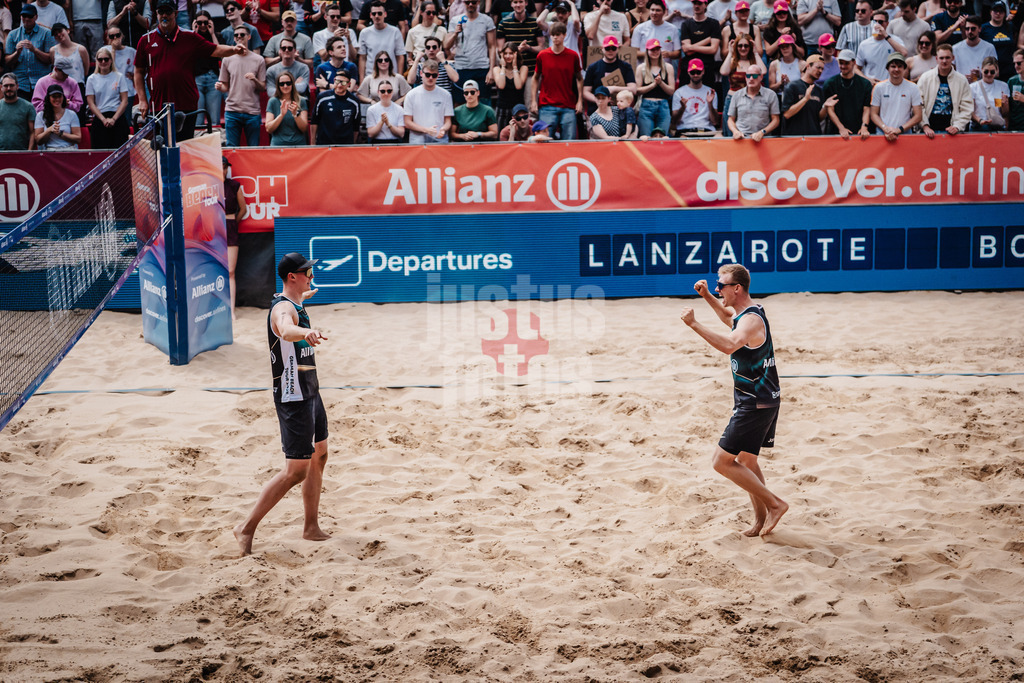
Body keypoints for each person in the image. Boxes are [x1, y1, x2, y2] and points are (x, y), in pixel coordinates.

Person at [233, 252, 331, 557]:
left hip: (310, 389)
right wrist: (307, 331)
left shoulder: (293, 301)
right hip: (293, 395)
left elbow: (293, 308)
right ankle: (245, 527)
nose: (311, 276)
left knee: (320, 454)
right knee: (295, 471)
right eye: (307, 273)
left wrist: (303, 299)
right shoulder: (283, 309)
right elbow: (286, 328)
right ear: (292, 276)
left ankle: (311, 527)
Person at [680, 265, 787, 537]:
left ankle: (775, 505)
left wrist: (694, 324)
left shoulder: (750, 321)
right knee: (748, 462)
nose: (718, 289)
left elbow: (729, 344)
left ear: (737, 288)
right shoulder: (748, 313)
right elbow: (728, 316)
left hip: (755, 402)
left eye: (721, 285)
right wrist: (706, 296)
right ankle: (761, 520)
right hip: (764, 399)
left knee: (721, 462)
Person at [135, 0, 245, 141]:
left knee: (185, 149)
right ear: (156, 14)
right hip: (158, 105)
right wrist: (143, 100)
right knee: (161, 150)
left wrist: (234, 50)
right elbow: (138, 72)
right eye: (160, 12)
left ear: (175, 13)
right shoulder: (146, 40)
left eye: (168, 12)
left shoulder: (189, 37)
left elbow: (215, 50)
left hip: (186, 105)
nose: (164, 16)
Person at [531, 21, 583, 139]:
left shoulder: (573, 56)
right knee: (544, 143)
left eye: (558, 34)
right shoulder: (542, 55)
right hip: (546, 104)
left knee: (569, 142)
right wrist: (533, 101)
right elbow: (535, 78)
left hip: (568, 105)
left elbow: (579, 78)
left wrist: (579, 101)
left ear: (564, 35)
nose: (555, 37)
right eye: (552, 34)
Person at [217, 24, 266, 146]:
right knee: (232, 149)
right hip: (232, 111)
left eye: (242, 35)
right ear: (234, 38)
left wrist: (254, 79)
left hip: (252, 112)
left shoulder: (259, 59)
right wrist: (219, 87)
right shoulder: (227, 59)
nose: (239, 37)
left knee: (253, 149)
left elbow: (263, 87)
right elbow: (225, 87)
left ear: (249, 37)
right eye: (236, 35)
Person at [445, 0, 495, 104]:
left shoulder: (487, 20)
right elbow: (446, 46)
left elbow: (492, 46)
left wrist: (491, 70)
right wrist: (455, 33)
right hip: (462, 67)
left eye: (473, 2)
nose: (470, 5)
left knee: (483, 101)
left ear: (478, 2)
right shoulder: (455, 20)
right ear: (463, 3)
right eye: (467, 2)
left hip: (481, 67)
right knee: (460, 101)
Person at [918, 43, 972, 136]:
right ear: (936, 59)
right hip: (929, 129)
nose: (944, 61)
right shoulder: (925, 78)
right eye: (941, 58)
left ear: (953, 58)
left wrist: (957, 126)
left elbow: (967, 107)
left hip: (953, 130)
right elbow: (918, 105)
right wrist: (924, 125)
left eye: (947, 58)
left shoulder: (961, 80)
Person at [6, 5, 57, 102]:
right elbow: (7, 61)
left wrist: (34, 50)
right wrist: (17, 53)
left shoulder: (46, 33)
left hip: (41, 82)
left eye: (29, 16)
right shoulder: (13, 34)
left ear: (36, 17)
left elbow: (50, 60)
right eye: (24, 16)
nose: (26, 19)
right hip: (20, 83)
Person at [870, 51, 922, 140]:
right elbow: (873, 114)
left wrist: (899, 130)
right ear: (888, 68)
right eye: (893, 66)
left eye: (900, 66)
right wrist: (885, 129)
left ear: (904, 68)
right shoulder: (879, 87)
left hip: (905, 133)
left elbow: (918, 116)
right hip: (883, 133)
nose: (896, 69)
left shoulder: (913, 87)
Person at [85, 45, 130, 148]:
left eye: (106, 59)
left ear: (111, 60)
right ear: (96, 61)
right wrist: (103, 119)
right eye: (100, 59)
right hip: (100, 118)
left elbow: (124, 101)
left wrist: (113, 119)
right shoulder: (91, 79)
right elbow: (91, 102)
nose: (103, 62)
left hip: (117, 117)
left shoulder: (119, 77)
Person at [822, 47, 871, 136]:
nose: (843, 66)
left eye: (846, 63)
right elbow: (830, 109)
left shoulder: (865, 84)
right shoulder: (830, 83)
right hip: (836, 132)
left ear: (854, 63)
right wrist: (841, 128)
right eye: (841, 63)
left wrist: (864, 126)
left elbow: (866, 108)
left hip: (859, 130)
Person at [403, 58, 454, 142]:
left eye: (434, 75)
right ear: (421, 74)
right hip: (418, 139)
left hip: (439, 138)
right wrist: (426, 130)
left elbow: (448, 121)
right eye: (427, 75)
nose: (430, 78)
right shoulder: (411, 95)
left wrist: (443, 129)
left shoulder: (446, 95)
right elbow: (407, 122)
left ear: (438, 75)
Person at [583, 35, 636, 112]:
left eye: (613, 48)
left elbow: (633, 89)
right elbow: (585, 91)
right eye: (607, 48)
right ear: (602, 48)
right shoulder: (593, 67)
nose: (610, 51)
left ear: (618, 49)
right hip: (597, 110)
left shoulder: (625, 66)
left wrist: (614, 88)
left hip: (620, 110)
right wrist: (600, 100)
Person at [221, 156, 246, 318]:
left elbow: (243, 209)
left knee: (230, 271)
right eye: (220, 166)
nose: (223, 170)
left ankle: (231, 310)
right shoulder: (207, 185)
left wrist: (232, 223)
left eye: (225, 167)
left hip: (229, 227)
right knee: (212, 271)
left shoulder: (234, 186)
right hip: (212, 229)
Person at [728, 63, 780, 139]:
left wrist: (763, 132)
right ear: (745, 77)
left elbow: (776, 120)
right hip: (741, 139)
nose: (751, 78)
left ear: (761, 77)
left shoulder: (771, 95)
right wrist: (735, 131)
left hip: (763, 139)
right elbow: (730, 120)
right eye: (748, 76)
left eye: (755, 76)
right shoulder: (736, 95)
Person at [634, 38, 675, 135]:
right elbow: (637, 90)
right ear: (647, 51)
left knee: (663, 138)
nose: (655, 52)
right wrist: (653, 85)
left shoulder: (668, 67)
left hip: (663, 105)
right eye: (652, 49)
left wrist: (661, 83)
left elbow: (671, 90)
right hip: (647, 105)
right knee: (646, 138)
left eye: (657, 49)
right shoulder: (641, 68)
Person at [781, 53, 829, 133]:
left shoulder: (819, 90)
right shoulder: (792, 87)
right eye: (818, 67)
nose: (820, 71)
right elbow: (787, 114)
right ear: (808, 66)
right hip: (794, 138)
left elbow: (819, 118)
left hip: (813, 138)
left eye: (822, 69)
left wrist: (825, 106)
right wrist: (805, 99)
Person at [359, 1, 406, 80]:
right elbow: (362, 58)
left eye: (380, 13)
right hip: (371, 77)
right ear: (370, 15)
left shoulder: (395, 31)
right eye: (374, 14)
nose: (377, 16)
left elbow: (400, 56)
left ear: (385, 14)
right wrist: (361, 80)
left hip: (391, 76)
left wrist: (399, 78)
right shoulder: (364, 33)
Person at [857, 10, 907, 83]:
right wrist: (867, 79)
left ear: (887, 23)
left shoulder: (895, 40)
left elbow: (904, 53)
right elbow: (856, 68)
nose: (877, 24)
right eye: (875, 21)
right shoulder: (864, 44)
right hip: (872, 85)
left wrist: (886, 35)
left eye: (880, 22)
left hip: (890, 84)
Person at [680, 0, 721, 86]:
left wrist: (690, 47)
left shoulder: (714, 24)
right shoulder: (686, 24)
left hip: (707, 67)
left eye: (699, 3)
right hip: (689, 68)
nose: (696, 6)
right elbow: (686, 51)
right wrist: (707, 40)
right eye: (694, 3)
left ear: (706, 5)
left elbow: (713, 49)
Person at [671, 59, 718, 134]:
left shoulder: (710, 92)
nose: (695, 75)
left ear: (703, 72)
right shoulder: (679, 92)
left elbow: (715, 122)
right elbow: (674, 122)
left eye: (698, 72)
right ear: (688, 72)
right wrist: (682, 108)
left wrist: (710, 104)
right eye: (693, 72)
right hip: (685, 130)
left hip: (706, 130)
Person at [193, 12, 222, 129]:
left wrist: (212, 33)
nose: (203, 25)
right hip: (197, 78)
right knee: (198, 119)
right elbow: (190, 53)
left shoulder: (216, 36)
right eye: (200, 23)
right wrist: (194, 32)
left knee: (214, 120)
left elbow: (220, 53)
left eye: (206, 22)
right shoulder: (191, 37)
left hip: (213, 78)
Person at [312, 71, 360, 143]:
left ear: (349, 84)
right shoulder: (322, 98)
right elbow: (314, 121)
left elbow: (356, 126)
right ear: (334, 81)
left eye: (343, 83)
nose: (340, 85)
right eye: (337, 81)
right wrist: (312, 142)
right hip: (324, 143)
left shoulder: (354, 102)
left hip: (345, 144)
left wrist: (352, 144)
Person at [265, 71, 309, 145]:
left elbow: (304, 128)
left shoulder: (301, 101)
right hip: (278, 145)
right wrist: (281, 115)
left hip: (298, 145)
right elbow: (269, 128)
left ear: (292, 84)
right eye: (281, 84)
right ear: (278, 86)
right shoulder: (272, 101)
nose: (285, 86)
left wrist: (295, 114)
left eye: (288, 83)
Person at [34, 82, 81, 149]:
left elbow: (78, 138)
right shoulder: (40, 115)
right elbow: (38, 140)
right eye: (54, 96)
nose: (57, 99)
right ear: (48, 98)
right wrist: (49, 130)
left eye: (59, 96)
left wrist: (60, 134)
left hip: (68, 149)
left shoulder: (72, 114)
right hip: (49, 150)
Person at [493, 43, 529, 125]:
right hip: (502, 108)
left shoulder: (523, 68)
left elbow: (518, 85)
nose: (508, 56)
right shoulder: (497, 69)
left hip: (518, 109)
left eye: (511, 53)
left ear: (516, 54)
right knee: (502, 135)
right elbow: (501, 86)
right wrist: (503, 67)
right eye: (505, 53)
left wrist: (515, 67)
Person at [952, 15, 995, 82]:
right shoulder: (955, 48)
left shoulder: (989, 48)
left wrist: (981, 73)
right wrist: (961, 78)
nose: (970, 31)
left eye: (973, 29)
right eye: (967, 29)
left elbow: (996, 72)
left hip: (981, 86)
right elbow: (950, 72)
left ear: (980, 29)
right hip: (961, 86)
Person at [969, 55, 1008, 129]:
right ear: (982, 69)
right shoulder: (973, 87)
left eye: (992, 72)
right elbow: (970, 111)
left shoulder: (1003, 86)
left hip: (997, 126)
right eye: (986, 71)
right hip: (978, 126)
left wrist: (1004, 105)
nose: (989, 74)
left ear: (996, 71)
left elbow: (1005, 114)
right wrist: (980, 120)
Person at [48, 23, 90, 90]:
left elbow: (86, 71)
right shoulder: (53, 50)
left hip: (77, 85)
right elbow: (54, 66)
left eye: (60, 31)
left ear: (67, 30)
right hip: (59, 87)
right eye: (55, 34)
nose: (58, 35)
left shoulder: (81, 49)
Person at [0, 73, 37, 149]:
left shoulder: (28, 106)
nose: (9, 88)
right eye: (6, 86)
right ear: (1, 87)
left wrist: (29, 152)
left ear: (17, 86)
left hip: (21, 153)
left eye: (12, 85)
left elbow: (33, 132)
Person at [980, 2, 1013, 82]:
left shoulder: (1010, 26)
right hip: (991, 70)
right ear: (991, 12)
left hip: (1009, 69)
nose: (998, 14)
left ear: (1005, 13)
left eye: (1001, 11)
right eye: (995, 11)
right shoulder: (984, 28)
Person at [106, 26, 137, 100]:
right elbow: (108, 69)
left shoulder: (131, 51)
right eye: (112, 36)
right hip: (111, 89)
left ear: (122, 36)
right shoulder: (104, 50)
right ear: (108, 38)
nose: (115, 38)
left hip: (128, 89)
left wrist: (133, 76)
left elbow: (137, 71)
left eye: (118, 35)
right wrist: (113, 49)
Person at [1008, 49, 1024, 131]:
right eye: (1014, 63)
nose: (1016, 66)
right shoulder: (1012, 81)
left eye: (1019, 63)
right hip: (1014, 126)